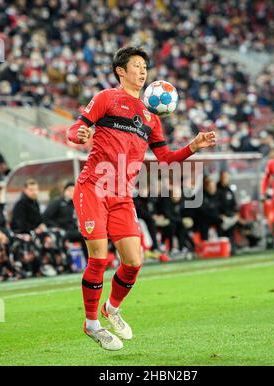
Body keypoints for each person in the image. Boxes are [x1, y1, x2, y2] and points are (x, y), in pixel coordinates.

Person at [68, 46, 216, 351]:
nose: (143, 71)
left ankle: (111, 308)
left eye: (145, 66)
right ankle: (92, 323)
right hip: (93, 187)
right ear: (121, 71)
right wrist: (79, 135)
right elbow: (78, 126)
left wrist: (193, 146)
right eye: (137, 65)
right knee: (98, 258)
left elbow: (166, 160)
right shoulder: (107, 97)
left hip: (122, 194)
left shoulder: (152, 117)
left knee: (134, 262)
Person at [43, 181, 88, 263]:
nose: (71, 192)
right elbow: (45, 217)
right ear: (64, 191)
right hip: (60, 231)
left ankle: (91, 263)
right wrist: (55, 227)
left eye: (74, 190)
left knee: (86, 236)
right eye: (69, 190)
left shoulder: (74, 203)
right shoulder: (57, 202)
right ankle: (67, 263)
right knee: (62, 237)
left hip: (71, 231)